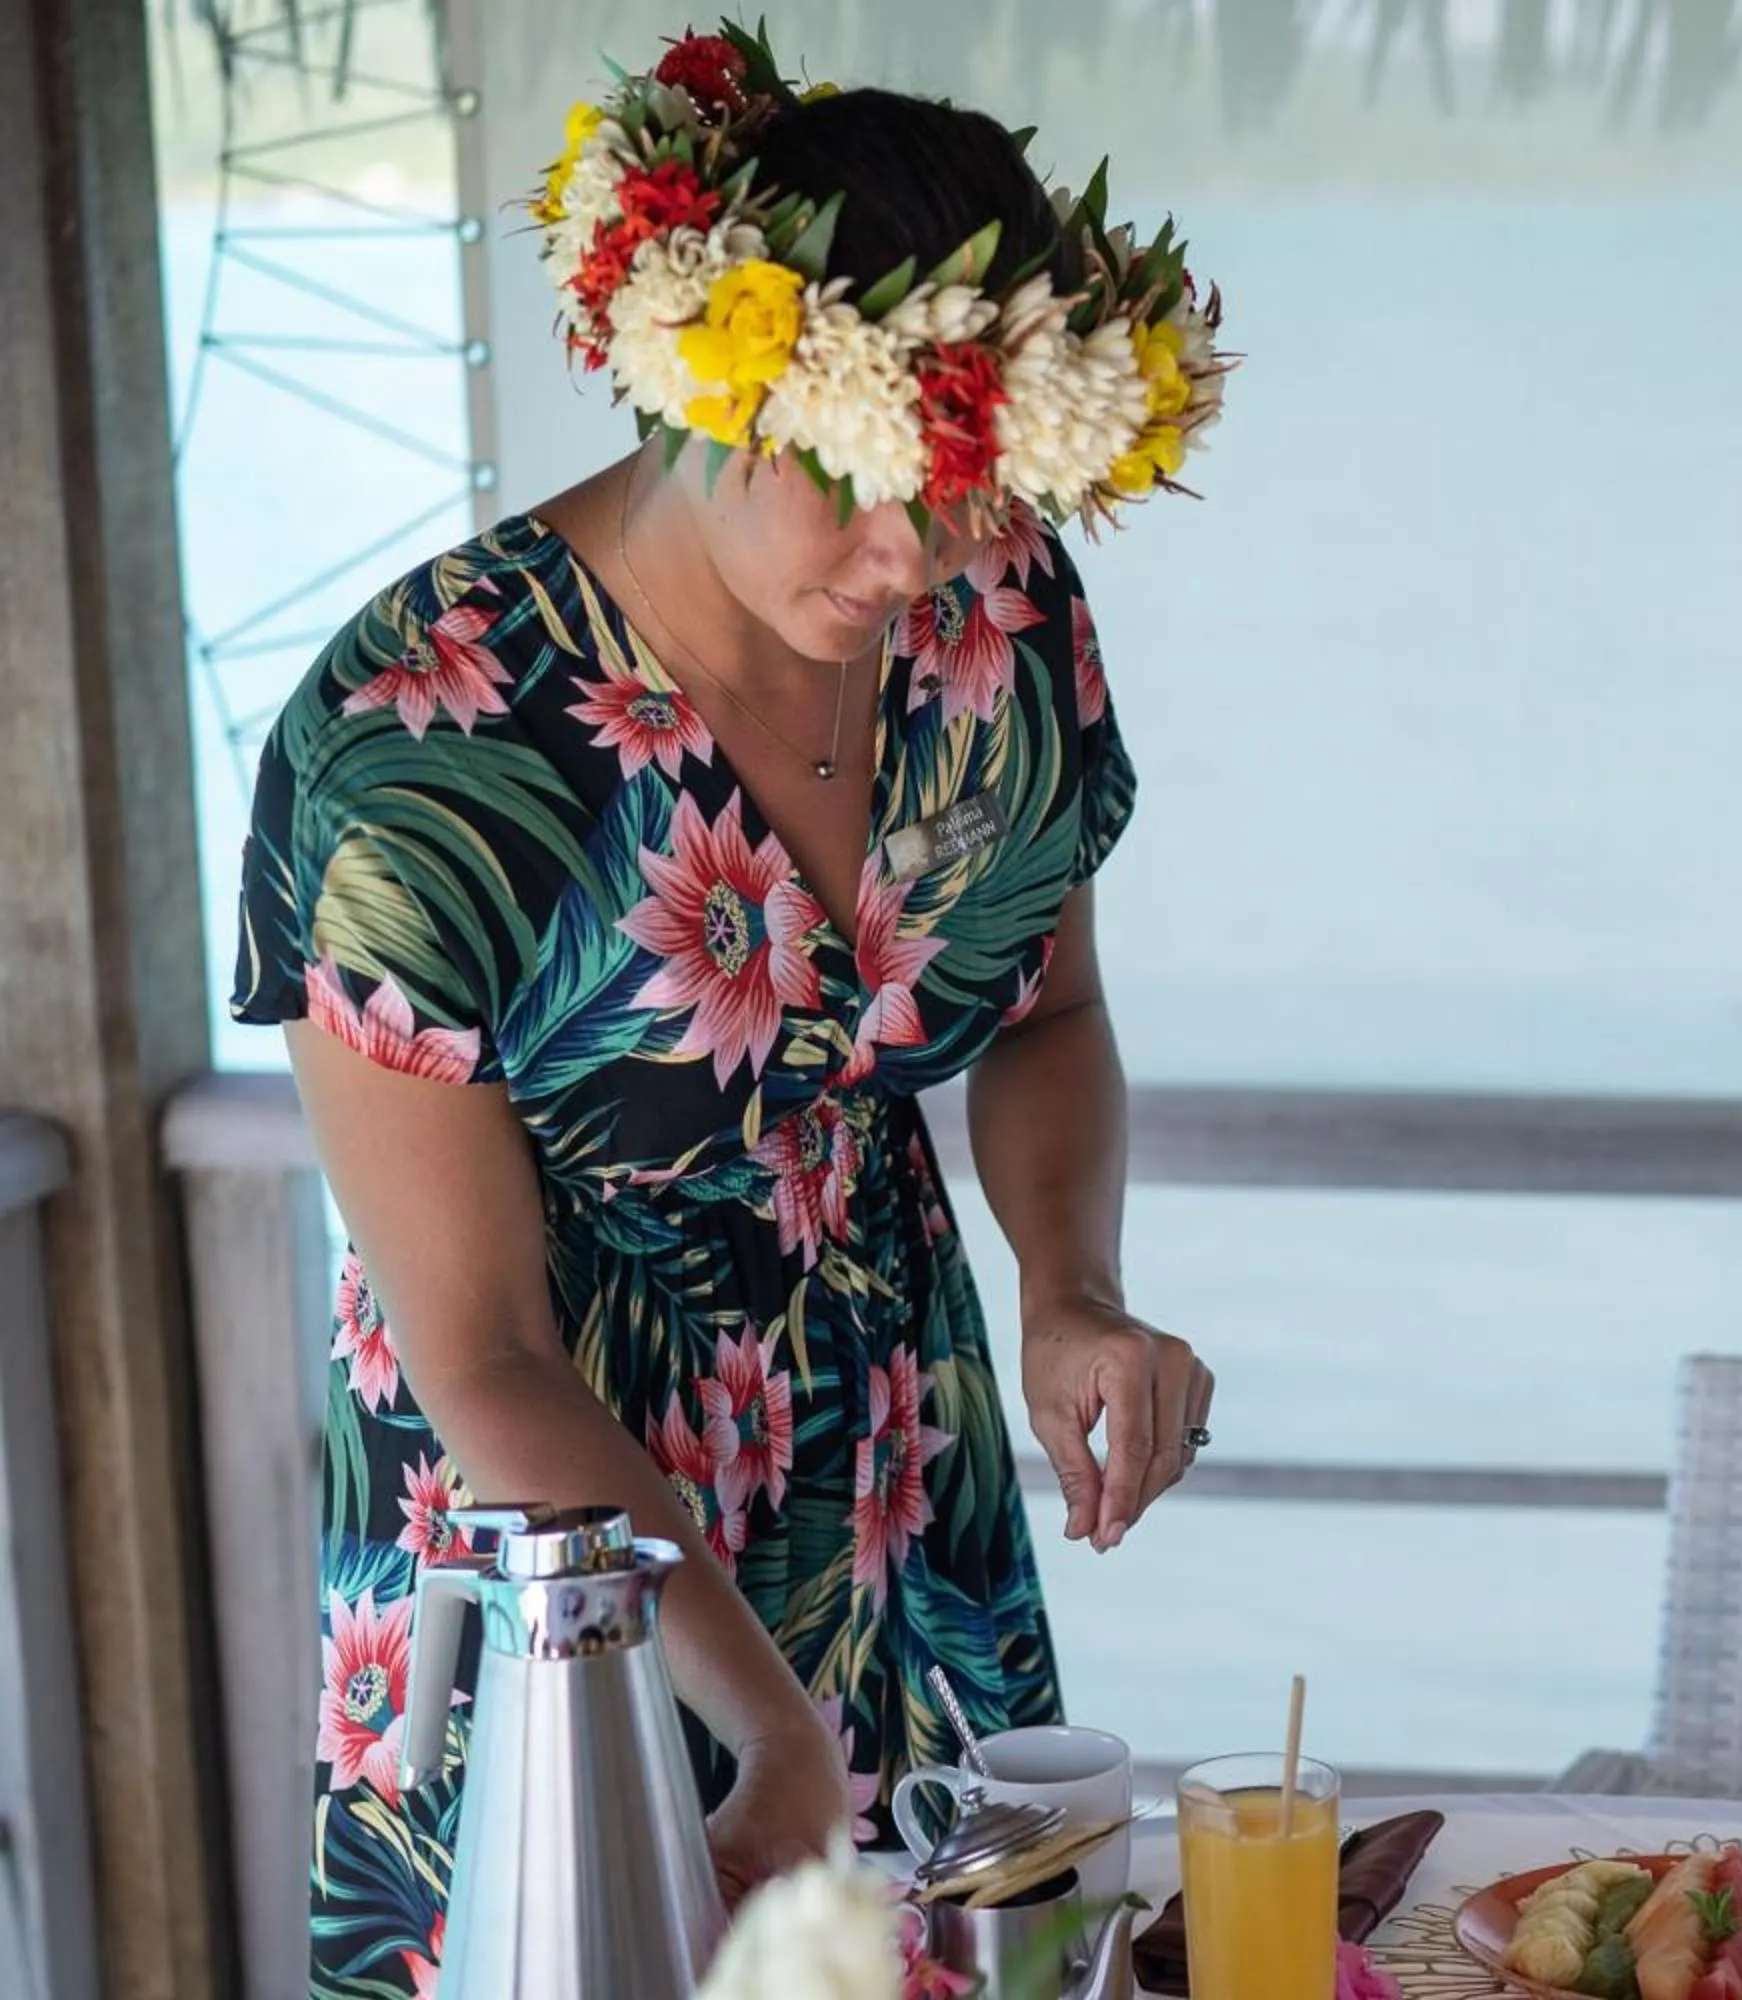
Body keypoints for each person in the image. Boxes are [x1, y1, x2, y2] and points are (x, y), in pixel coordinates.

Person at [229, 26, 1233, 1992]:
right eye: (853, 490)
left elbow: (1044, 1007)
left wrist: (1071, 1286)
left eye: (962, 496)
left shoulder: (993, 615)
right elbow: (486, 1349)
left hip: (888, 1489)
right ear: (704, 372)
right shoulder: (411, 747)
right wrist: (763, 1717)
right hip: (564, 1565)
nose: (909, 557)